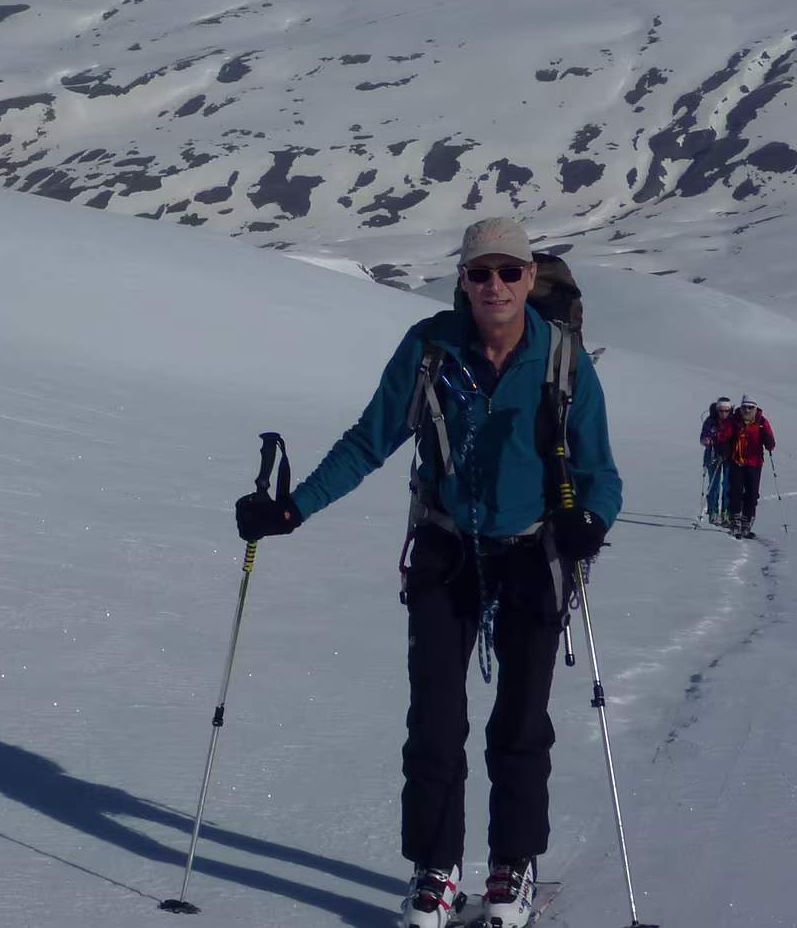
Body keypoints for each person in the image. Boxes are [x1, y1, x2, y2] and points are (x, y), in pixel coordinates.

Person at [234, 216, 622, 928]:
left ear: (530, 278)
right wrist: (294, 509)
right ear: (462, 281)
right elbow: (369, 441)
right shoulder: (429, 350)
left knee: (521, 720)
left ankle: (512, 866)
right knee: (435, 722)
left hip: (534, 554)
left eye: (509, 272)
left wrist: (590, 523)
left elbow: (601, 472)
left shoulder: (564, 360)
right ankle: (436, 870)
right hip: (446, 549)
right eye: (481, 273)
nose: (496, 285)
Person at [717, 395, 776, 538]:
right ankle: (735, 522)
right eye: (745, 407)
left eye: (750, 407)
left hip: (755, 463)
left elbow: (771, 445)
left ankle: (746, 523)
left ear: (755, 408)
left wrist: (767, 440)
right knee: (736, 492)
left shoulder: (762, 422)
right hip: (737, 461)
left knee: (752, 494)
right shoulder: (735, 420)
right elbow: (725, 436)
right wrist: (724, 447)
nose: (747, 410)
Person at [700, 398, 735, 525]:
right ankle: (713, 511)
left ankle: (726, 512)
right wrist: (706, 441)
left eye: (726, 411)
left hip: (729, 457)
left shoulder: (733, 421)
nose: (723, 413)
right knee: (714, 485)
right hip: (713, 455)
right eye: (721, 410)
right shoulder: (711, 421)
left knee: (727, 485)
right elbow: (703, 437)